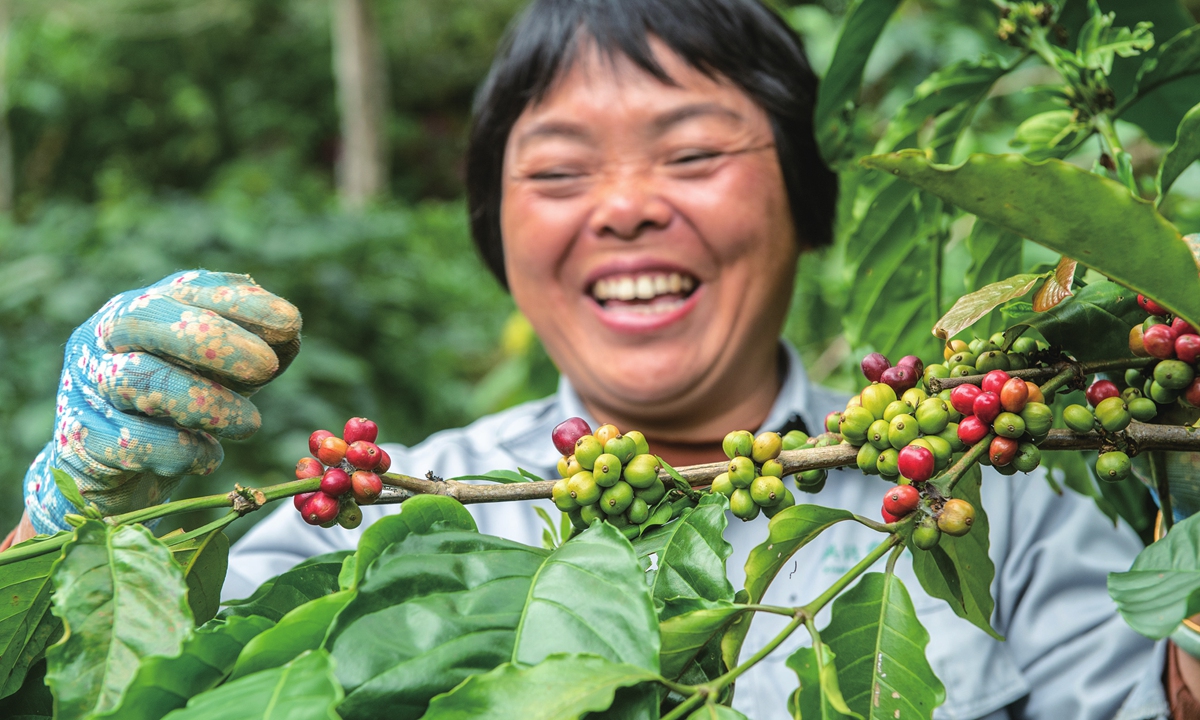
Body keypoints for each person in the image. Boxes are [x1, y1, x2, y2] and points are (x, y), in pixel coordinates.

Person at [4, 0, 1176, 717]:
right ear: (498, 238)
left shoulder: (991, 501)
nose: (622, 208)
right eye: (559, 172)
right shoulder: (384, 522)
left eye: (691, 151)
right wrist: (60, 535)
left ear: (807, 202)